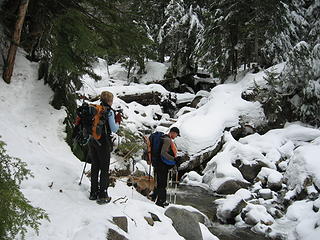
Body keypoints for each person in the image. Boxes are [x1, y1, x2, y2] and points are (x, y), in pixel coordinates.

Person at [88, 91, 122, 204]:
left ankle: (93, 193)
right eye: (111, 100)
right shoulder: (109, 111)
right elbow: (114, 129)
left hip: (93, 140)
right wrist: (118, 122)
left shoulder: (95, 109)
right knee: (104, 168)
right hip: (103, 142)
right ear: (109, 101)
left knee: (95, 166)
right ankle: (103, 194)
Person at [155, 127, 181, 207]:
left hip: (159, 164)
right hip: (162, 165)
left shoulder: (164, 138)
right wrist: (174, 159)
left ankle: (159, 200)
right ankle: (161, 202)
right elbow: (163, 153)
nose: (176, 137)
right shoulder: (167, 140)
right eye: (176, 135)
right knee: (162, 184)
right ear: (173, 132)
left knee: (160, 183)